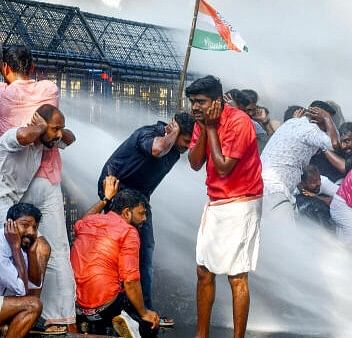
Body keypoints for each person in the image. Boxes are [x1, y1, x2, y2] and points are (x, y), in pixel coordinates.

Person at [1, 45, 77, 333]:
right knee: (53, 248)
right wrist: (46, 128)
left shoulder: (2, 95)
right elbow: (57, 134)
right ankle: (61, 318)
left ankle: (19, 311)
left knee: (15, 248)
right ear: (32, 68)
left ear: (5, 69)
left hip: (18, 191)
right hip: (45, 181)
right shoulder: (49, 90)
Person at [97, 112, 195, 323]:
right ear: (174, 130)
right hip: (119, 193)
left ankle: (138, 309)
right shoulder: (151, 134)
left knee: (144, 251)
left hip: (139, 197)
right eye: (186, 140)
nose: (187, 146)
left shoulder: (175, 148)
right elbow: (157, 149)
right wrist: (174, 131)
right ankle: (136, 311)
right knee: (133, 253)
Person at [186, 76, 263, 338]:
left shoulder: (240, 122)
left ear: (217, 102)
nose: (195, 107)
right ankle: (201, 334)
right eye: (192, 102)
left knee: (236, 275)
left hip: (242, 201)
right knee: (203, 270)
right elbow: (195, 163)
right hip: (217, 202)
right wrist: (204, 127)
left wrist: (209, 128)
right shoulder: (201, 121)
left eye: (201, 102)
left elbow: (223, 166)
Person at [70, 183, 160, 338]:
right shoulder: (128, 232)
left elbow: (82, 220)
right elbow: (130, 281)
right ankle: (130, 323)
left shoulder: (89, 222)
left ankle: (114, 321)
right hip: (105, 306)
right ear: (126, 213)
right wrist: (145, 313)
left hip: (76, 306)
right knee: (150, 324)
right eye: (141, 213)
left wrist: (105, 199)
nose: (144, 219)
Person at [261, 101, 339, 223]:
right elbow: (335, 144)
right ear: (317, 118)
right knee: (284, 234)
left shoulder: (292, 122)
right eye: (328, 123)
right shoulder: (311, 130)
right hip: (275, 189)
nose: (329, 127)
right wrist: (327, 118)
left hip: (268, 186)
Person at [0, 105, 64, 222]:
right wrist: (41, 126)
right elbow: (23, 136)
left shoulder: (41, 145)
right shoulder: (12, 135)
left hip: (12, 205)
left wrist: (51, 129)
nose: (59, 134)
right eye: (55, 129)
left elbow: (70, 139)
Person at [0, 203, 50, 338]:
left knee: (31, 307)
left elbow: (33, 288)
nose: (31, 232)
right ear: (9, 225)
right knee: (33, 306)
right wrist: (15, 248)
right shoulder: (3, 245)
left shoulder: (22, 248)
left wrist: (32, 254)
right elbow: (22, 291)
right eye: (25, 225)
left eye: (35, 227)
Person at [295, 165, 339, 231]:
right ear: (302, 184)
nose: (319, 183)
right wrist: (322, 199)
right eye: (314, 182)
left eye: (319, 179)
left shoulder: (323, 182)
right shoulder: (293, 191)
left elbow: (343, 194)